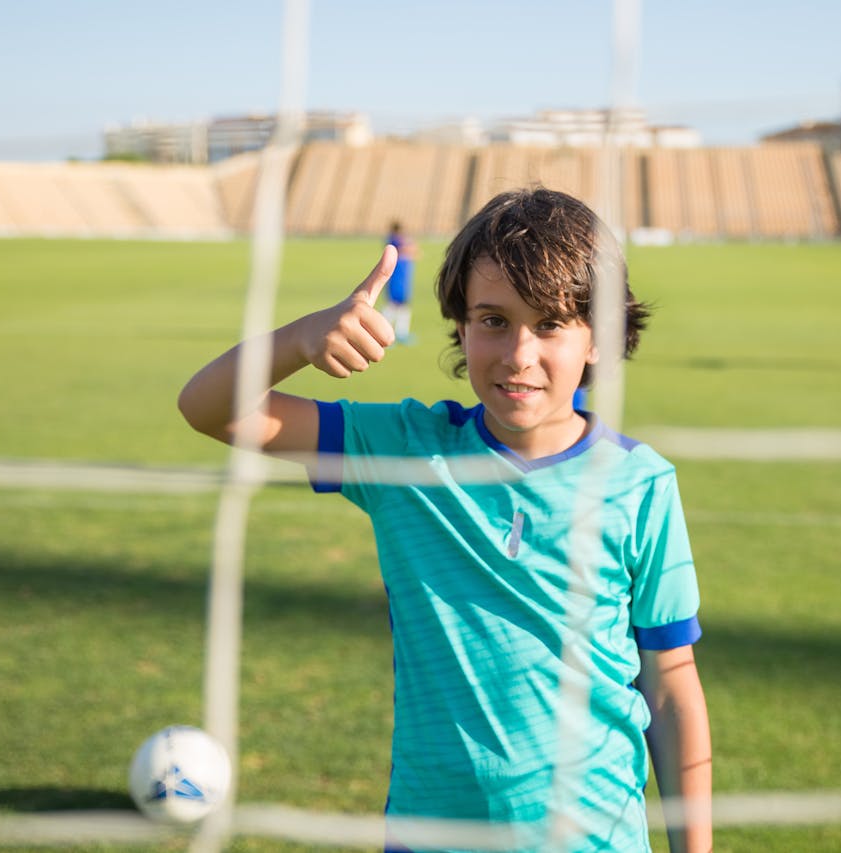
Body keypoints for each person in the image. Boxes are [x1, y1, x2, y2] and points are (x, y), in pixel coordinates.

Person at [178, 187, 712, 853]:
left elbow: (669, 685)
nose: (518, 354)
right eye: (493, 319)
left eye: (549, 324)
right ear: (459, 326)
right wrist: (300, 337)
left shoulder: (640, 483)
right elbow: (209, 408)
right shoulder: (404, 450)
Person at [383, 220, 419, 343]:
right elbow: (412, 250)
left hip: (402, 281)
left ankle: (401, 333)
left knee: (402, 307)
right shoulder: (395, 243)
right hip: (397, 281)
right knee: (393, 306)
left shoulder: (397, 244)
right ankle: (383, 333)